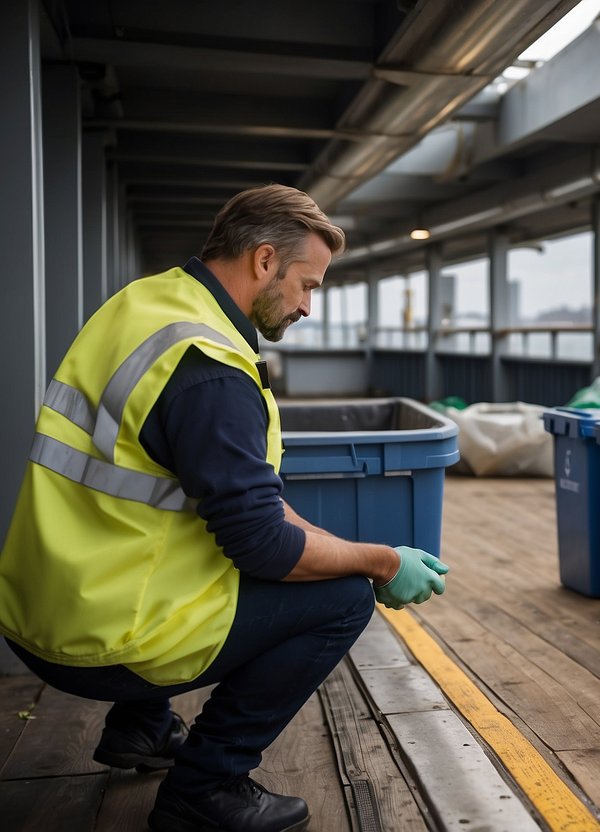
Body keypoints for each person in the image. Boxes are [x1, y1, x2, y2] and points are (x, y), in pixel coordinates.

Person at [0, 184, 448, 832]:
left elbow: (235, 503)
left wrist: (339, 543)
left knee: (214, 545)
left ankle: (141, 727)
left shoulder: (146, 304)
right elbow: (261, 544)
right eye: (307, 285)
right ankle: (205, 789)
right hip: (102, 635)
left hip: (41, 604)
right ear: (264, 261)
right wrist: (379, 562)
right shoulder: (210, 366)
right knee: (344, 597)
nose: (307, 306)